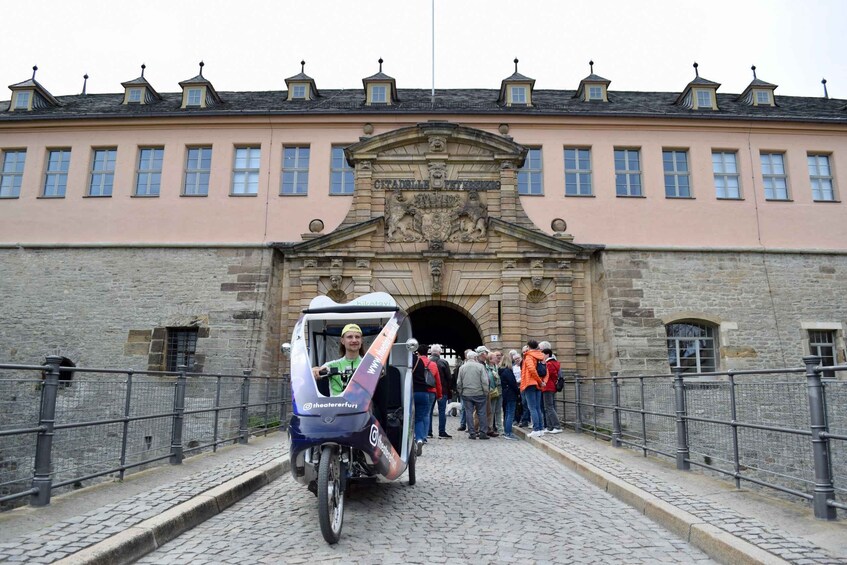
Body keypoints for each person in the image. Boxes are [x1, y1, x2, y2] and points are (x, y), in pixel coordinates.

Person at [311, 323, 365, 396]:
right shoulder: (331, 365)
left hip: (360, 406)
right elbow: (315, 371)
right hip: (336, 406)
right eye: (350, 337)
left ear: (361, 340)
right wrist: (314, 371)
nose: (354, 340)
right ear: (342, 341)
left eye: (357, 337)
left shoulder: (368, 365)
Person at [412, 344, 441, 456]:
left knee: (411, 417)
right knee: (424, 415)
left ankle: (412, 438)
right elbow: (437, 380)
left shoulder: (413, 361)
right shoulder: (432, 364)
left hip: (413, 391)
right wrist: (439, 394)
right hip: (427, 392)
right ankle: (422, 437)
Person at [456, 350, 490, 440]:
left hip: (466, 394)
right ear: (475, 358)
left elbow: (459, 382)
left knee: (468, 413)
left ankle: (472, 433)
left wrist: (461, 391)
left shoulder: (462, 367)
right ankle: (483, 432)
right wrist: (486, 391)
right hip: (479, 393)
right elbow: (485, 381)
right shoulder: (480, 367)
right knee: (482, 413)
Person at [520, 339, 546, 438]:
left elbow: (531, 369)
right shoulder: (540, 355)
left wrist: (539, 380)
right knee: (538, 408)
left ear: (529, 346)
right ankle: (540, 429)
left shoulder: (529, 356)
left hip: (529, 383)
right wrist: (541, 381)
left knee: (532, 407)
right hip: (538, 384)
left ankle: (536, 429)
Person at [428, 344, 453, 439]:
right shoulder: (444, 362)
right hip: (443, 390)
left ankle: (428, 432)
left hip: (430, 389)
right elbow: (449, 378)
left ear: (431, 352)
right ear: (440, 352)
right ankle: (441, 432)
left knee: (428, 412)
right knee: (442, 411)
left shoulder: (427, 362)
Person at [474, 346, 499, 437]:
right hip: (480, 390)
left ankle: (488, 429)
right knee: (479, 411)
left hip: (487, 390)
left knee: (488, 411)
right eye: (486, 353)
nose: (487, 355)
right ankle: (475, 429)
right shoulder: (477, 364)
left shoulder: (484, 363)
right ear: (483, 354)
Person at [539, 343, 563, 434]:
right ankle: (550, 427)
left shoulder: (549, 364)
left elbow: (548, 375)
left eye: (543, 354)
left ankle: (556, 426)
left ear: (547, 354)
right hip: (550, 386)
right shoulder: (555, 363)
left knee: (549, 407)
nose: (542, 356)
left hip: (548, 386)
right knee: (547, 407)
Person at [498, 350, 521, 440]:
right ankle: (508, 432)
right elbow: (513, 383)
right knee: (510, 413)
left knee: (507, 413)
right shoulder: (507, 371)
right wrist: (517, 392)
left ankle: (507, 432)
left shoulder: (502, 371)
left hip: (506, 393)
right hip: (511, 394)